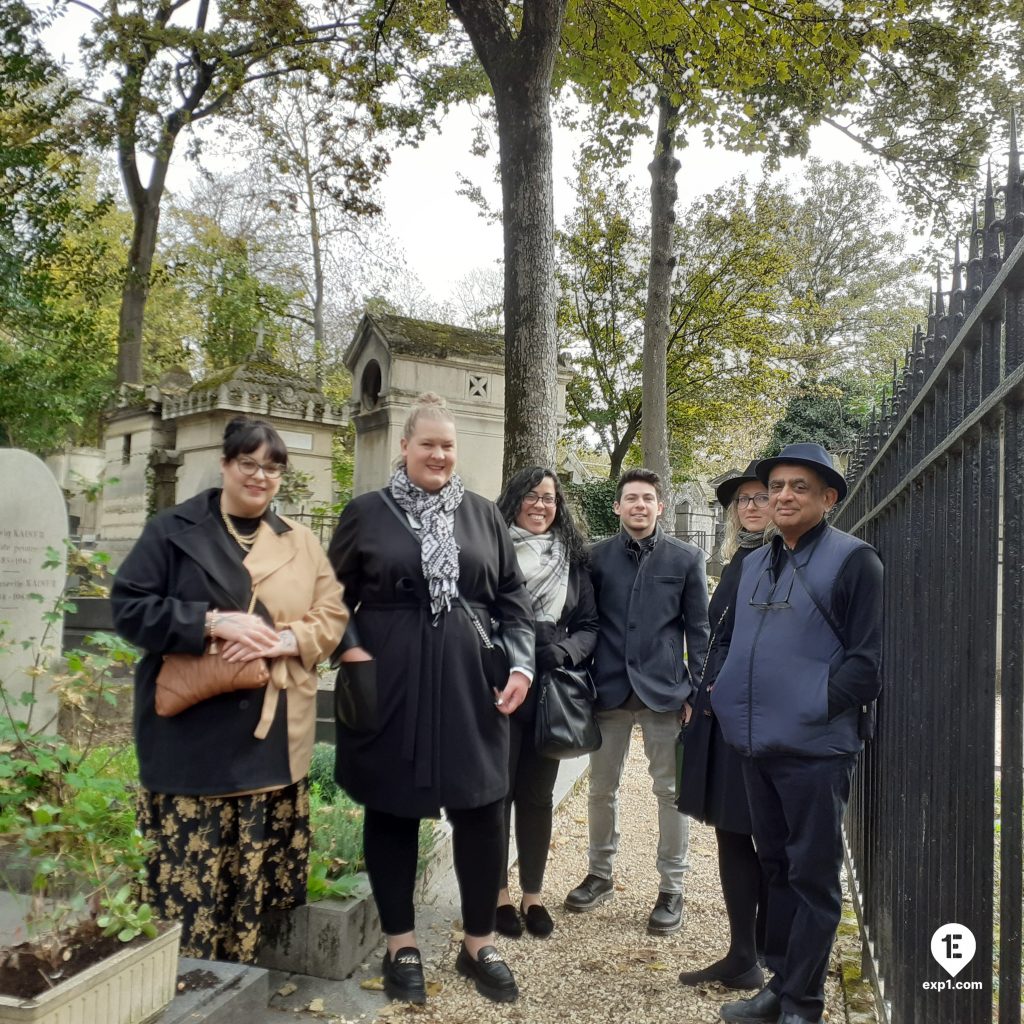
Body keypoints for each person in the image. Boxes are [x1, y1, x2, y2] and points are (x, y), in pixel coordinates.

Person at [110, 417, 348, 962]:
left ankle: (234, 988)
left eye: (272, 467)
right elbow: (128, 607)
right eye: (248, 463)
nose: (259, 476)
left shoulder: (300, 541)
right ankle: (180, 985)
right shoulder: (172, 530)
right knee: (187, 889)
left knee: (247, 890)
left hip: (268, 738)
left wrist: (282, 638)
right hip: (191, 738)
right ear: (224, 465)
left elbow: (332, 615)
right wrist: (211, 624)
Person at [328, 393, 535, 1006]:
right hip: (388, 684)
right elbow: (327, 597)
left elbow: (512, 601)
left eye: (448, 445)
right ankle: (402, 944)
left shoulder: (482, 515)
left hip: (472, 686)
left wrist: (520, 664)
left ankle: (477, 941)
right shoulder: (366, 512)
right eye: (429, 444)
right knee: (390, 809)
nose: (440, 455)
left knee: (482, 808)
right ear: (405, 446)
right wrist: (354, 650)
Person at [711, 442, 884, 1024]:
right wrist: (728, 700)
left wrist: (810, 709)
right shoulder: (757, 561)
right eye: (776, 487)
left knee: (812, 877)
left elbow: (866, 664)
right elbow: (731, 641)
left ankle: (803, 1003)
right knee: (775, 868)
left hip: (815, 752)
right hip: (756, 747)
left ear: (828, 498)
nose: (783, 496)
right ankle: (779, 987)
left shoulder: (855, 560)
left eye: (798, 488)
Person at [565, 468, 710, 934]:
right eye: (631, 498)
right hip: (607, 691)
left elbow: (698, 630)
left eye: (648, 498)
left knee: (669, 793)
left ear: (659, 506)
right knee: (601, 790)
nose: (639, 506)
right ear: (618, 506)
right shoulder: (594, 557)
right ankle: (600, 874)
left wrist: (697, 691)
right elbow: (583, 622)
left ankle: (672, 887)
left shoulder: (686, 558)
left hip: (665, 692)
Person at [493, 467, 599, 940]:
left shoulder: (572, 561)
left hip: (550, 691)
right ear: (515, 500)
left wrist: (562, 651)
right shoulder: (493, 552)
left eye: (549, 499)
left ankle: (532, 894)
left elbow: (591, 627)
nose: (540, 505)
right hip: (497, 685)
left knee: (536, 798)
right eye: (532, 496)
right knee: (496, 795)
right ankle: (496, 894)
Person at [676, 462, 771, 990]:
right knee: (734, 833)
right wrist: (697, 692)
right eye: (744, 500)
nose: (751, 506)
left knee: (757, 836)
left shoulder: (779, 559)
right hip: (719, 709)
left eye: (760, 496)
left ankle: (760, 956)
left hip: (748, 714)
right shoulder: (742, 558)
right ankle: (746, 953)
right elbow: (713, 636)